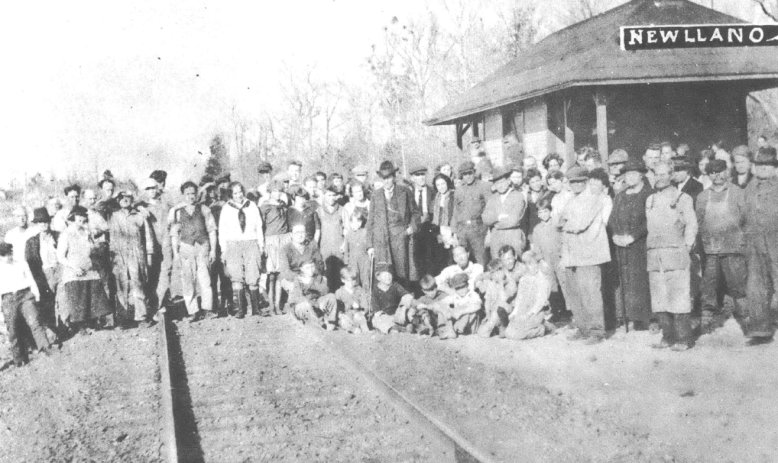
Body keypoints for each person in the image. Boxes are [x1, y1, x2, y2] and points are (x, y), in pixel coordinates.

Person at [646, 162, 698, 351]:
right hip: (655, 255)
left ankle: (684, 338)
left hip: (675, 253)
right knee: (659, 298)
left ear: (671, 176)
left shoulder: (682, 198)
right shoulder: (650, 199)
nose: (659, 178)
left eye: (663, 174)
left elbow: (691, 224)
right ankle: (667, 336)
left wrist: (687, 245)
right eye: (655, 174)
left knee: (679, 298)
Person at [559, 166, 611, 344]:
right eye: (573, 182)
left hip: (589, 254)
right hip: (573, 254)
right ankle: (583, 328)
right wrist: (565, 223)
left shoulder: (594, 199)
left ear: (587, 181)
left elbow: (578, 224)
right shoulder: (571, 200)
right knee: (576, 294)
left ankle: (597, 331)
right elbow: (560, 221)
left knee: (590, 293)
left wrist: (566, 223)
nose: (577, 185)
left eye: (580, 181)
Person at [695, 160, 748, 334]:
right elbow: (699, 222)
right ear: (707, 175)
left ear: (727, 171)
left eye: (720, 171)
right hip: (711, 250)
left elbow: (746, 220)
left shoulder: (738, 193)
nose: (716, 175)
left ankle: (747, 322)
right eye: (712, 172)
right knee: (709, 287)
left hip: (733, 249)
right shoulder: (703, 197)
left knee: (739, 287)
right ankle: (707, 324)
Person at [609, 159, 653, 330]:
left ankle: (645, 318)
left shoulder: (648, 194)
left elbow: (649, 221)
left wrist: (633, 236)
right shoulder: (620, 196)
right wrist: (615, 235)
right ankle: (629, 315)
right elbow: (613, 219)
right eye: (627, 174)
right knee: (626, 281)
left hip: (640, 245)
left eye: (634, 173)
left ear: (641, 175)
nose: (630, 177)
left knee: (641, 280)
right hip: (621, 245)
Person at [742, 147, 778, 345]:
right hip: (754, 243)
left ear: (774, 168)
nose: (763, 169)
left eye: (768, 165)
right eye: (760, 165)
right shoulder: (751, 187)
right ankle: (760, 329)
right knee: (756, 286)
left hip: (776, 242)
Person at [169, 182, 218, 322]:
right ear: (183, 195)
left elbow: (212, 230)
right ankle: (193, 311)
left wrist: (213, 250)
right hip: (186, 248)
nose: (191, 196)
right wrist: (176, 253)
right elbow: (174, 234)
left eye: (193, 193)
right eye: (187, 194)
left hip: (202, 247)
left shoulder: (204, 209)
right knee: (188, 281)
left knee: (205, 279)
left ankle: (208, 309)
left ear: (197, 194)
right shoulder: (178, 212)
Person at [0, 242, 53, 367]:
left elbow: (30, 279)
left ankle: (45, 347)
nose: (9, 256)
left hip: (25, 295)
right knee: (13, 329)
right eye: (5, 254)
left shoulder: (21, 264)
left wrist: (36, 294)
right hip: (8, 299)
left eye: (10, 252)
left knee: (34, 321)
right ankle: (19, 358)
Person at [366, 161, 418, 286]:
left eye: (389, 177)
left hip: (400, 237)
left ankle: (405, 297)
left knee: (402, 270)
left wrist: (412, 227)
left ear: (394, 177)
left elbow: (416, 213)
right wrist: (370, 245)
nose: (387, 181)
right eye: (384, 178)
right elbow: (371, 221)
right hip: (382, 240)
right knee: (385, 272)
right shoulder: (375, 195)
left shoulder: (404, 192)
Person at [218, 181, 265, 319]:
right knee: (236, 276)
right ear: (231, 195)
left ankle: (256, 309)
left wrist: (260, 245)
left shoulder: (252, 206)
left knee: (253, 275)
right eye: (235, 193)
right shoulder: (226, 208)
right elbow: (222, 230)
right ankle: (241, 309)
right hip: (233, 244)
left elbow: (259, 227)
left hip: (251, 242)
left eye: (240, 192)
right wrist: (224, 249)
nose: (238, 195)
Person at [109, 191, 153, 327]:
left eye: (127, 197)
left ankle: (142, 316)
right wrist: (113, 258)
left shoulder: (139, 215)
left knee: (137, 284)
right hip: (120, 255)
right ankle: (123, 318)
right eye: (121, 198)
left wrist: (149, 255)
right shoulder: (115, 216)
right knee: (121, 286)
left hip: (136, 253)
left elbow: (148, 237)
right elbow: (112, 238)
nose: (124, 200)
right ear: (117, 200)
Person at [138, 177, 174, 313]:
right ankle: (153, 303)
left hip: (165, 242)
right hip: (151, 245)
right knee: (152, 273)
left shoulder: (166, 205)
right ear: (145, 191)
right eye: (149, 189)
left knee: (167, 270)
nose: (152, 191)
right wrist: (140, 207)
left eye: (153, 188)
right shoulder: (142, 207)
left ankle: (161, 301)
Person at [530, 199, 568, 320]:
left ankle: (570, 311)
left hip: (559, 258)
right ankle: (557, 311)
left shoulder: (557, 225)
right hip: (546, 261)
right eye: (540, 212)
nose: (543, 214)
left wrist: (563, 257)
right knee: (552, 286)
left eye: (545, 211)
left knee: (565, 283)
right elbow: (536, 247)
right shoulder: (537, 229)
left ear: (550, 211)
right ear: (537, 214)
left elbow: (564, 241)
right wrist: (541, 260)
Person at [505, 250, 553, 341]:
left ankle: (541, 329)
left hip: (536, 312)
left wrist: (529, 314)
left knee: (517, 335)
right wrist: (514, 312)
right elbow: (519, 298)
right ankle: (537, 326)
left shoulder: (543, 280)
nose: (528, 266)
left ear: (537, 264)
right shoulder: (524, 279)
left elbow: (541, 302)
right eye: (526, 264)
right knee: (508, 332)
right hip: (524, 310)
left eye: (531, 263)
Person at [24, 208, 60, 330]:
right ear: (37, 224)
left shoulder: (58, 236)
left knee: (63, 300)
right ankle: (52, 329)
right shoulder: (32, 242)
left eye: (45, 221)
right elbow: (30, 262)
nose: (44, 224)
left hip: (60, 271)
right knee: (47, 302)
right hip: (44, 273)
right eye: (40, 222)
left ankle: (66, 326)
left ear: (49, 222)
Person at [259, 180, 291, 315]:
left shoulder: (283, 206)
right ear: (270, 192)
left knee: (280, 275)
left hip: (283, 240)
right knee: (271, 275)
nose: (277, 194)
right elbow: (261, 227)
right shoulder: (265, 207)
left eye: (279, 191)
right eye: (275, 191)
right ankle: (271, 305)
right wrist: (263, 244)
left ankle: (278, 305)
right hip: (271, 241)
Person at [452, 161, 491, 265]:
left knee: (481, 260)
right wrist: (454, 233)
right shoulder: (459, 190)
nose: (468, 176)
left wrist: (489, 231)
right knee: (463, 261)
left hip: (478, 229)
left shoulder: (484, 186)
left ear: (474, 172)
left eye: (470, 173)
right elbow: (455, 212)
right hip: (462, 230)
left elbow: (489, 209)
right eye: (465, 174)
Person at [482, 167, 526, 257]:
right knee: (497, 264)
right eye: (497, 183)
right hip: (496, 238)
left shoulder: (518, 196)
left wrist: (495, 224)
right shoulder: (492, 198)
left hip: (513, 235)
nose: (500, 186)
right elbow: (485, 219)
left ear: (509, 181)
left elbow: (514, 220)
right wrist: (498, 217)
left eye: (502, 182)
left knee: (514, 262)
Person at [288, 259, 338, 330]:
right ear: (302, 269)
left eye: (312, 267)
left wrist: (311, 282)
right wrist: (316, 304)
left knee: (331, 296)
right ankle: (318, 324)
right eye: (307, 268)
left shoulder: (318, 277)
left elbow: (325, 292)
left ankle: (330, 322)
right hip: (303, 306)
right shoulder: (298, 279)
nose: (311, 270)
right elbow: (299, 298)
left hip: (316, 303)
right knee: (305, 305)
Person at [279, 224, 325, 296]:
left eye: (302, 232)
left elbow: (319, 264)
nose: (300, 235)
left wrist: (310, 278)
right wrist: (301, 278)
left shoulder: (312, 244)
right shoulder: (285, 249)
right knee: (294, 289)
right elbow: (285, 271)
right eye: (297, 232)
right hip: (294, 278)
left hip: (311, 275)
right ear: (291, 234)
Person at [370, 263, 414, 334]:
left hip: (397, 314)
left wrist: (402, 308)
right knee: (375, 320)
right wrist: (388, 318)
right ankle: (395, 329)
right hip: (385, 316)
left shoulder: (395, 285)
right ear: (378, 278)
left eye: (390, 274)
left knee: (410, 311)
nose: (388, 277)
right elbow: (377, 312)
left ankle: (401, 327)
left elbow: (407, 296)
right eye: (385, 275)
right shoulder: (375, 290)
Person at [409, 165, 436, 282]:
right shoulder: (408, 192)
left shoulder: (432, 191)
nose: (421, 178)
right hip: (414, 231)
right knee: (415, 261)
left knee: (430, 260)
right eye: (418, 175)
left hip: (429, 230)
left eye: (423, 175)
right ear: (412, 178)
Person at [436, 273, 482, 340]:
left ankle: (452, 330)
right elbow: (441, 302)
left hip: (471, 325)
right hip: (459, 321)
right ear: (454, 289)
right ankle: (443, 329)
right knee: (444, 310)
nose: (461, 290)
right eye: (458, 288)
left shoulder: (472, 294)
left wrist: (461, 311)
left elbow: (478, 305)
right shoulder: (455, 296)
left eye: (463, 287)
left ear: (467, 285)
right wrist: (445, 310)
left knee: (468, 309)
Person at [475, 259, 514, 338]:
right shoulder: (491, 284)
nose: (496, 275)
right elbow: (487, 301)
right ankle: (495, 327)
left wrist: (501, 284)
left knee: (500, 307)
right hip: (493, 312)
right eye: (493, 273)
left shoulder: (510, 283)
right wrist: (488, 315)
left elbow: (504, 299)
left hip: (506, 311)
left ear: (504, 271)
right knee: (481, 331)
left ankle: (502, 326)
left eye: (499, 272)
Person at [317, 186, 345, 292]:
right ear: (324, 195)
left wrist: (344, 244)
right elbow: (317, 229)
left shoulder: (342, 210)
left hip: (338, 246)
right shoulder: (319, 211)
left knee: (339, 272)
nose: (331, 198)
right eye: (329, 195)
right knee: (326, 272)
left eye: (334, 195)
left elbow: (346, 228)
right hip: (325, 247)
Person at [431, 173, 456, 273]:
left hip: (451, 230)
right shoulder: (436, 198)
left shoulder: (453, 196)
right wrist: (437, 233)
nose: (441, 187)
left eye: (443, 184)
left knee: (452, 257)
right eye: (438, 185)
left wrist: (453, 233)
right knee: (442, 259)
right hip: (440, 230)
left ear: (447, 183)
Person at [334, 267, 371, 334]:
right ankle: (353, 329)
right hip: (346, 316)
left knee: (359, 317)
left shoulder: (359, 290)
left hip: (357, 315)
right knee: (343, 320)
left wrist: (362, 311)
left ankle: (365, 331)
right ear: (343, 280)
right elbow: (338, 309)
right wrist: (341, 313)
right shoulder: (339, 292)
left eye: (353, 280)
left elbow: (365, 305)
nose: (351, 283)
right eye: (348, 281)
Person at [343, 211, 370, 289]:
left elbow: (369, 245)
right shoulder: (348, 234)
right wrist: (346, 262)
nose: (356, 224)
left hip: (364, 260)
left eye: (358, 221)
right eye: (353, 221)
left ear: (361, 222)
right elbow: (346, 249)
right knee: (354, 279)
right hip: (353, 261)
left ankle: (366, 296)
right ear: (350, 223)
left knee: (365, 279)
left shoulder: (365, 232)